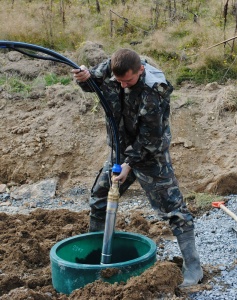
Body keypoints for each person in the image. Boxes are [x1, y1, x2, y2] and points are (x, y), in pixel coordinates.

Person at [72, 48, 203, 287]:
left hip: (150, 155)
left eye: (128, 81)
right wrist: (83, 79)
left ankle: (193, 266)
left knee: (174, 210)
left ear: (140, 70)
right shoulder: (111, 68)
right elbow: (93, 85)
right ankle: (95, 255)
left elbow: (151, 138)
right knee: (100, 197)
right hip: (119, 149)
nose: (122, 85)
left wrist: (128, 165)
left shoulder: (156, 89)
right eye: (118, 80)